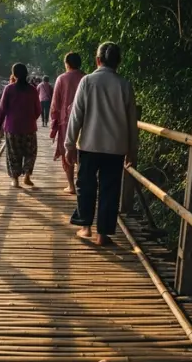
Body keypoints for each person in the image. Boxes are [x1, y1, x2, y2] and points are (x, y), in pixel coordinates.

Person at [65, 42, 137, 246]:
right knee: (110, 189)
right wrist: (133, 150)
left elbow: (76, 115)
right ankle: (103, 234)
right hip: (116, 147)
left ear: (98, 60)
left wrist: (69, 144)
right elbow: (132, 121)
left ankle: (85, 227)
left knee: (85, 185)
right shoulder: (125, 85)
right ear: (118, 62)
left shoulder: (87, 81)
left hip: (89, 145)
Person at [0, 63, 42, 188]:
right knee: (30, 152)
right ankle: (27, 176)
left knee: (13, 153)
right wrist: (31, 119)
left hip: (12, 128)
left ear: (14, 75)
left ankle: (15, 179)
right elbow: (38, 110)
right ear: (26, 74)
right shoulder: (32, 90)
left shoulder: (9, 89)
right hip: (29, 128)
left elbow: (2, 109)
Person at [50, 52, 85, 194]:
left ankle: (71, 185)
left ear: (67, 64)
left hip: (66, 121)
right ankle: (82, 183)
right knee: (82, 151)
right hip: (85, 120)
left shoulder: (62, 79)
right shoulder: (86, 78)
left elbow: (55, 103)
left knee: (67, 151)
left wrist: (54, 122)